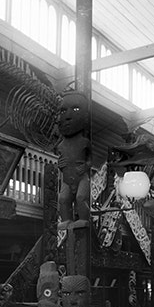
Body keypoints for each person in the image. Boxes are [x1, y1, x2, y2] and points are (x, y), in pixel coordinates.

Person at [56, 91, 92, 230]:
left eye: (76, 109)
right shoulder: (61, 145)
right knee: (63, 199)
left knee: (81, 197)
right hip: (67, 178)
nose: (68, 116)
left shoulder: (85, 142)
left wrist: (86, 166)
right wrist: (60, 165)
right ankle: (66, 219)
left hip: (81, 176)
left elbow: (90, 160)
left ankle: (83, 218)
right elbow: (61, 161)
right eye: (63, 111)